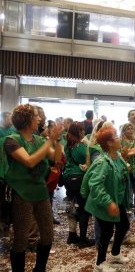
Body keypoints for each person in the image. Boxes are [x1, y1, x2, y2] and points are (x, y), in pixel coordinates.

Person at [4, 104, 63, 272]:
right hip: (22, 193)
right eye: (36, 116)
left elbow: (56, 159)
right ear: (27, 120)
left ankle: (40, 269)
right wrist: (50, 140)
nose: (39, 118)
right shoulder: (12, 140)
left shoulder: (39, 140)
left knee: (47, 235)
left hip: (40, 191)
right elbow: (29, 161)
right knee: (21, 239)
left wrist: (57, 141)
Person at [82, 126, 131, 272]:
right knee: (106, 233)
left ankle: (115, 253)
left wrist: (126, 159)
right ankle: (100, 263)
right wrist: (108, 202)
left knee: (123, 226)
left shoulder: (117, 156)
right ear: (109, 143)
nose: (119, 138)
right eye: (116, 137)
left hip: (117, 201)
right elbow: (95, 185)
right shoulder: (102, 161)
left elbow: (120, 173)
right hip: (105, 203)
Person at [62, 121, 94, 248]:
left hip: (68, 178)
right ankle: (83, 239)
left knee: (72, 206)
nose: (84, 132)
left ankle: (72, 235)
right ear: (77, 131)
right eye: (81, 130)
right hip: (78, 178)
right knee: (83, 209)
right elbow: (85, 160)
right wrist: (87, 144)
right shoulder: (80, 146)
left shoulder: (68, 144)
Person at [120, 123, 135, 218]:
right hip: (125, 170)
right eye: (127, 129)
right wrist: (127, 164)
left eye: (131, 128)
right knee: (128, 191)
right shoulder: (120, 142)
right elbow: (120, 156)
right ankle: (128, 209)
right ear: (123, 131)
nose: (130, 130)